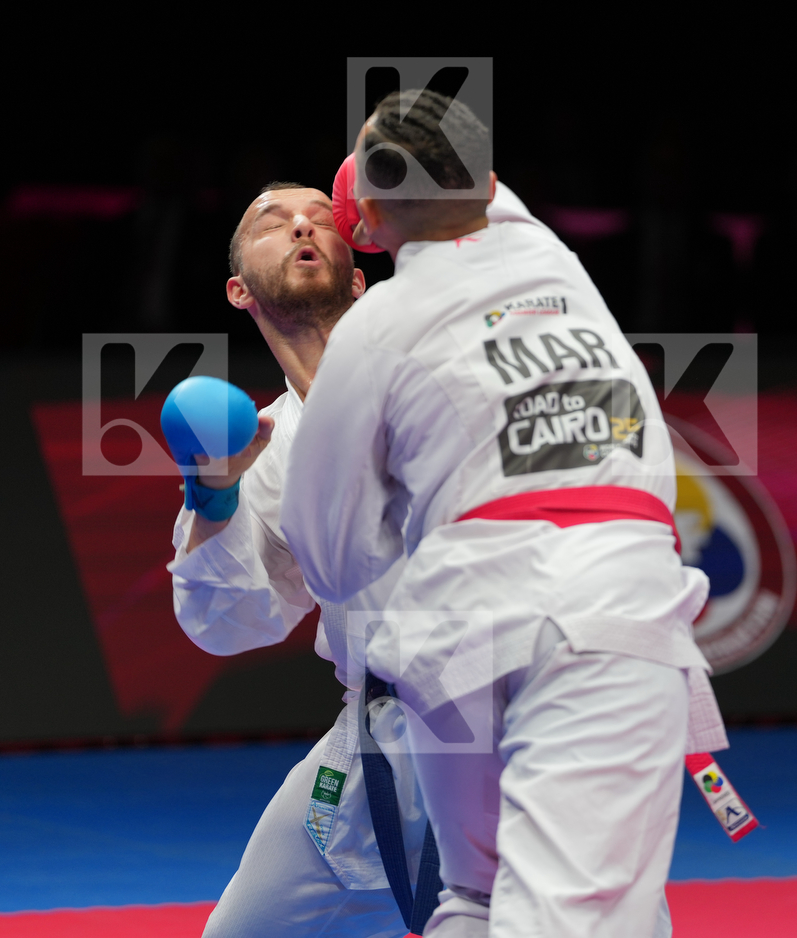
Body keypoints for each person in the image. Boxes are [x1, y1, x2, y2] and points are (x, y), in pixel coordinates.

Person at [281, 91, 728, 937]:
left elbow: (328, 558)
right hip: (603, 615)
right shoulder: (552, 258)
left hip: (453, 634)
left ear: (368, 222)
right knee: (576, 917)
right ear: (488, 184)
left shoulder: (373, 329)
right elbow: (463, 169)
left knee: (476, 900)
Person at [170, 177, 545, 937]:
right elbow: (229, 625)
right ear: (239, 289)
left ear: (358, 276)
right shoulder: (262, 449)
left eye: (322, 217)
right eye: (273, 222)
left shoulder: (446, 363)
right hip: (378, 729)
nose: (302, 226)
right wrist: (212, 495)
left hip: (512, 710)